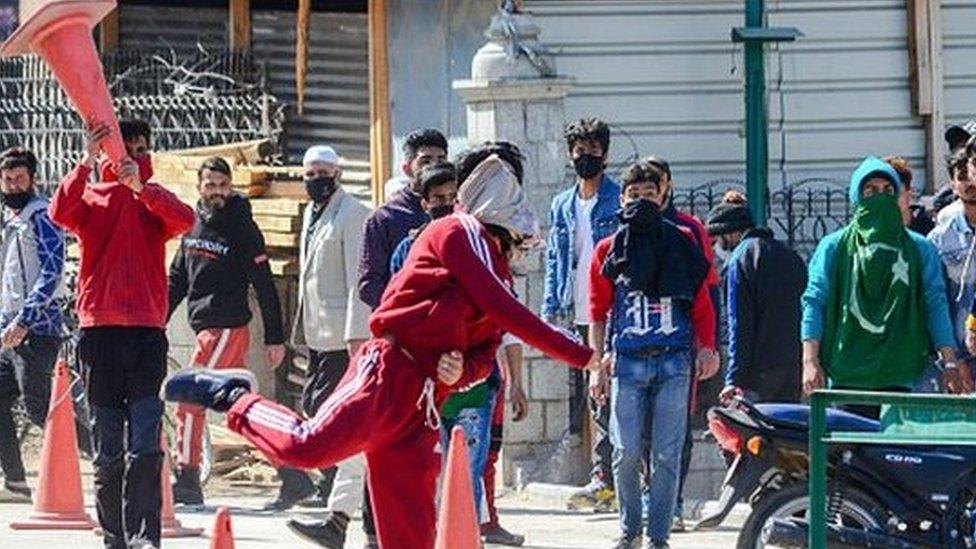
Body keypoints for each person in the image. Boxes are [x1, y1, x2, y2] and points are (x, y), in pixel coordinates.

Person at [165, 153, 600, 549]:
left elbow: (487, 353)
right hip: (387, 371)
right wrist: (584, 355)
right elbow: (504, 311)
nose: (518, 248)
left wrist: (460, 371)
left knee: (411, 536)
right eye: (514, 238)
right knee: (306, 446)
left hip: (422, 402)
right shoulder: (457, 232)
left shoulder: (496, 267)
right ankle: (234, 396)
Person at [50, 119, 194, 548]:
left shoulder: (155, 200)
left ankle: (144, 536)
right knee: (108, 446)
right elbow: (60, 211)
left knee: (146, 443)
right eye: (124, 147)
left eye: (140, 147)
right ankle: (115, 537)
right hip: (100, 334)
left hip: (148, 333)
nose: (132, 154)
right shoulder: (92, 197)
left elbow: (186, 219)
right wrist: (84, 162)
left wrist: (142, 189)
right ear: (110, 152)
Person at [588, 160, 719, 549]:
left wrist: (708, 346)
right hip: (627, 361)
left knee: (666, 453)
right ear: (622, 198)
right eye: (634, 195)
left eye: (649, 194)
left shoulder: (682, 240)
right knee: (625, 451)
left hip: (674, 360)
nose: (641, 201)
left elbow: (702, 301)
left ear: (663, 196)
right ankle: (630, 528)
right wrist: (596, 364)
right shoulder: (608, 249)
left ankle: (658, 535)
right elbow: (597, 310)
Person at [801, 156, 972, 419]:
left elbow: (935, 304)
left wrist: (949, 359)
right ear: (857, 197)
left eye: (887, 190)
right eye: (870, 190)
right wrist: (810, 362)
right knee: (849, 456)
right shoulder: (834, 247)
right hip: (847, 374)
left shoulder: (919, 249)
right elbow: (814, 302)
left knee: (899, 456)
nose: (880, 197)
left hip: (904, 375)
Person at [166, 156, 285, 505]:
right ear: (200, 188)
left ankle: (187, 478)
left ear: (231, 186)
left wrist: (274, 338)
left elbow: (264, 286)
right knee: (241, 407)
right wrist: (158, 319)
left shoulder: (242, 228)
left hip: (227, 328)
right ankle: (292, 474)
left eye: (223, 185)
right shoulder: (193, 224)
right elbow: (178, 278)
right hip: (205, 328)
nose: (217, 192)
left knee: (190, 399)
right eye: (211, 185)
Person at [542, 118, 620, 510]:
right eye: (579, 151)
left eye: (592, 150)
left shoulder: (618, 199)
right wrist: (550, 309)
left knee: (604, 391)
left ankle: (606, 477)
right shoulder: (562, 204)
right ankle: (603, 475)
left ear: (604, 153)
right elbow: (555, 257)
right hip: (577, 310)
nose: (585, 157)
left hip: (608, 309)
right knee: (590, 394)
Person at [643, 154, 720, 531]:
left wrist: (708, 344)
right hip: (638, 345)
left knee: (677, 430)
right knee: (638, 431)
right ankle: (647, 498)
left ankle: (671, 502)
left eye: (654, 184)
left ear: (666, 187)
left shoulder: (689, 229)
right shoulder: (626, 230)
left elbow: (706, 291)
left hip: (681, 345)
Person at [0, 148, 64, 502]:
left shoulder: (41, 216)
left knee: (42, 408)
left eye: (19, 179)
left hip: (36, 330)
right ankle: (15, 481)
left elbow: (52, 272)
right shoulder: (13, 218)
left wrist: (25, 320)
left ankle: (108, 458)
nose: (12, 185)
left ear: (33, 180)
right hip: (10, 330)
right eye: (7, 179)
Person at [705, 191, 806, 404]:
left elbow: (739, 324)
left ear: (730, 234)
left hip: (758, 371)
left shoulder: (739, 261)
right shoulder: (789, 255)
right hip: (792, 364)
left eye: (718, 238)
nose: (717, 246)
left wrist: (734, 378)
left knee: (754, 433)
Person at [358, 128, 448, 310]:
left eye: (441, 160)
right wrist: (407, 311)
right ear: (407, 168)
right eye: (425, 161)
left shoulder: (458, 212)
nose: (434, 166)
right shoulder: (384, 218)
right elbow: (369, 285)